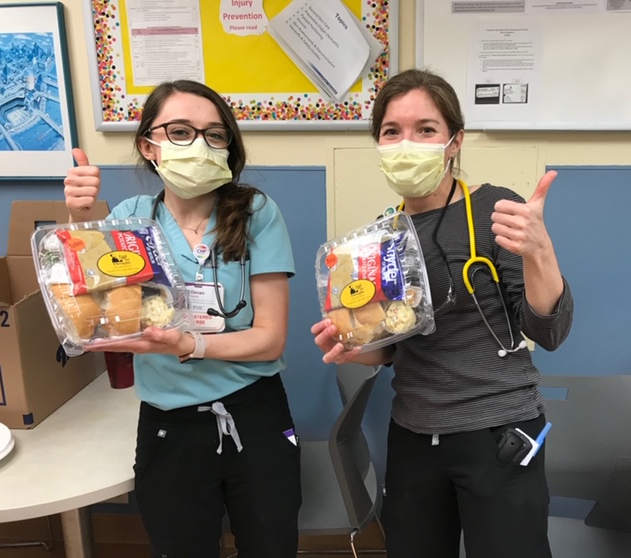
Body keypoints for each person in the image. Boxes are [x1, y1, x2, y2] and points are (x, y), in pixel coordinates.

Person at [311, 68, 573, 558]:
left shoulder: (497, 209)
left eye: (425, 129)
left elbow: (548, 329)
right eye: (392, 132)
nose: (406, 143)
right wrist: (352, 348)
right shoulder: (379, 238)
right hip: (413, 434)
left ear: (455, 141)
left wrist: (541, 253)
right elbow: (389, 349)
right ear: (379, 143)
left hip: (500, 433)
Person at [64, 80, 301, 557]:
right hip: (168, 424)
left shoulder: (256, 213)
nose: (199, 144)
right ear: (148, 145)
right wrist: (80, 221)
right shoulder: (130, 220)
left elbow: (271, 339)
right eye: (179, 131)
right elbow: (93, 315)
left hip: (254, 411)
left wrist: (190, 345)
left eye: (214, 134)